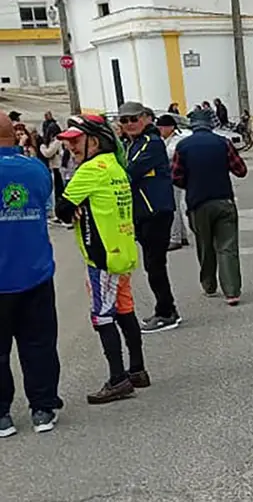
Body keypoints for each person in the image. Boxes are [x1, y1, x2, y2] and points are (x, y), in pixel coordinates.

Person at [54, 114, 150, 404]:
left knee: (102, 316)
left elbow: (61, 209)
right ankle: (137, 370)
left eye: (76, 140)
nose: (70, 146)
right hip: (122, 250)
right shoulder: (114, 166)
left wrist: (74, 205)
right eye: (68, 141)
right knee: (124, 309)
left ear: (94, 142)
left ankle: (118, 379)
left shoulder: (89, 171)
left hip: (102, 257)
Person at [0, 110, 64, 437]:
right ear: (15, 135)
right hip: (35, 272)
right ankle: (42, 408)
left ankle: (2, 415)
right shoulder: (36, 169)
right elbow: (45, 204)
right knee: (38, 343)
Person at [172, 110, 248, 305]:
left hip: (198, 203)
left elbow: (177, 177)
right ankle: (232, 291)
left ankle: (209, 284)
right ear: (210, 124)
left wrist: (193, 182)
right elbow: (240, 170)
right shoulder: (223, 143)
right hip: (224, 200)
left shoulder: (183, 146)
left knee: (204, 245)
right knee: (227, 247)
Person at [118, 101, 181, 333]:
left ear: (146, 118)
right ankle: (165, 310)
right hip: (144, 212)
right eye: (124, 120)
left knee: (155, 265)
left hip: (156, 212)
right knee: (152, 265)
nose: (129, 124)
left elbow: (127, 172)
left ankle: (167, 312)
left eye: (134, 119)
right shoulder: (132, 143)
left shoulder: (151, 143)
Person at [156, 114, 190, 251]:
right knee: (175, 206)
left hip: (175, 177)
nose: (160, 130)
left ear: (170, 127)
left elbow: (168, 155)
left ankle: (175, 238)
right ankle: (182, 236)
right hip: (169, 177)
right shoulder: (165, 140)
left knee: (173, 208)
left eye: (162, 127)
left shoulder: (176, 141)